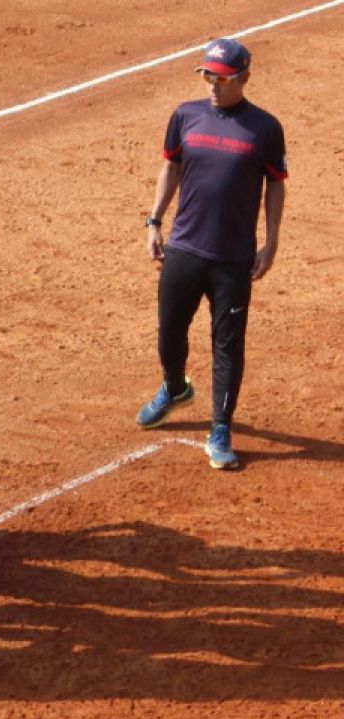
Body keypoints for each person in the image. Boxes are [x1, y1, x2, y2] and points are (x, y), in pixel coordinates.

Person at [137, 37, 287, 470]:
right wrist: (154, 221)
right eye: (207, 75)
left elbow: (276, 183)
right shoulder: (186, 115)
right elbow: (172, 165)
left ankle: (221, 426)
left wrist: (271, 240)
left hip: (233, 258)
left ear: (243, 78)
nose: (212, 85)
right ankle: (174, 387)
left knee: (227, 346)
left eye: (220, 78)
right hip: (184, 246)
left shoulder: (265, 128)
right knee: (169, 332)